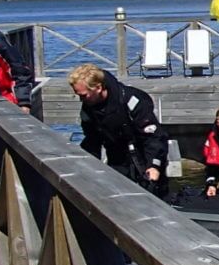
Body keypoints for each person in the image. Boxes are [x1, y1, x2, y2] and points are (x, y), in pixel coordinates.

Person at [70, 64, 171, 200]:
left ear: (98, 88)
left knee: (155, 198)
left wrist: (154, 165)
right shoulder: (89, 109)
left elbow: (154, 137)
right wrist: (86, 168)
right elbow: (92, 140)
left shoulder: (132, 101)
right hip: (117, 159)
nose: (81, 100)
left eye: (83, 95)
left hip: (144, 157)